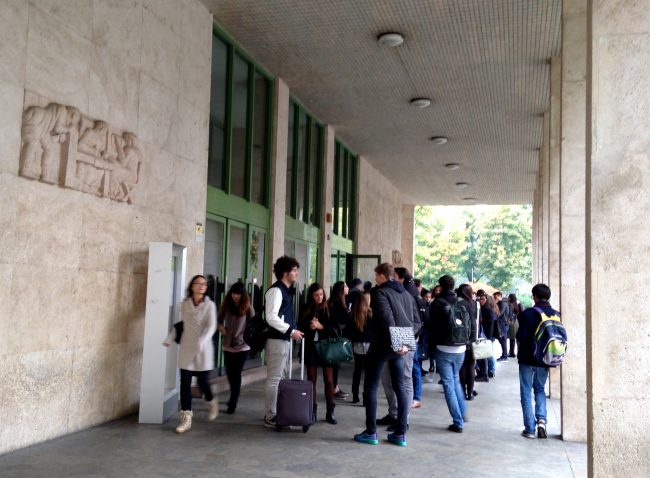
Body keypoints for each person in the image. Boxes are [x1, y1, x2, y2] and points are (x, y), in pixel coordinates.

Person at [354, 263, 418, 447]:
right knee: (400, 386)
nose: (375, 279)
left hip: (383, 345)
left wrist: (398, 343)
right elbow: (415, 322)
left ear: (382, 276)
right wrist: (405, 343)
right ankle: (400, 434)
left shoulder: (379, 292)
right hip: (400, 347)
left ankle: (371, 432)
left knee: (371, 386)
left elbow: (386, 319)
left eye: (376, 276)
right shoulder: (407, 294)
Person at [163, 275, 218, 434]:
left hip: (203, 349)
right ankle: (186, 418)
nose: (201, 286)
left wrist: (203, 339)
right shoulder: (185, 304)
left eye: (204, 284)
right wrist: (170, 338)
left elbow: (212, 326)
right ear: (192, 286)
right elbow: (181, 325)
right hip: (187, 347)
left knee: (202, 382)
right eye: (198, 283)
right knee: (185, 383)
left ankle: (211, 401)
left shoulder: (210, 305)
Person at [263, 256, 304, 428]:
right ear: (285, 272)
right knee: (274, 379)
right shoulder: (276, 291)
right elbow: (270, 317)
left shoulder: (285, 290)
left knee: (279, 379)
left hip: (283, 340)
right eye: (294, 270)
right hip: (277, 341)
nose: (296, 273)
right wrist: (291, 330)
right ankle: (270, 415)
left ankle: (277, 412)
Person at [517, 283, 559, 439]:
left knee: (526, 391)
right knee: (540, 389)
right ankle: (542, 421)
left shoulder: (528, 314)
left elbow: (521, 337)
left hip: (527, 358)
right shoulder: (556, 314)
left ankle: (529, 429)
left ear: (534, 296)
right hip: (545, 359)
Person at [429, 275, 468, 433]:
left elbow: (431, 326)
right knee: (455, 380)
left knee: (448, 385)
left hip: (443, 348)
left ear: (441, 286)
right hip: (461, 348)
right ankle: (462, 412)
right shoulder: (462, 301)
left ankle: (458, 422)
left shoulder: (437, 303)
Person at [298, 283, 339, 424]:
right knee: (312, 381)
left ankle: (330, 411)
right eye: (316, 295)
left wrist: (320, 326)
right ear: (311, 296)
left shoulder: (329, 308)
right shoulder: (305, 308)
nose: (319, 297)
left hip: (326, 348)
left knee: (329, 380)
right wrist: (310, 326)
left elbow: (335, 330)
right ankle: (312, 410)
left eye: (321, 294)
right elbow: (299, 327)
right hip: (310, 347)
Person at [217, 282, 254, 414]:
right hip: (227, 344)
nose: (235, 296)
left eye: (238, 294)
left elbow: (253, 325)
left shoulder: (248, 308)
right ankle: (234, 394)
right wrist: (222, 329)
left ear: (243, 295)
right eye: (233, 293)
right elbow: (218, 320)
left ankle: (233, 402)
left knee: (236, 374)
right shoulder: (226, 305)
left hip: (242, 346)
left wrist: (247, 337)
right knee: (230, 373)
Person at [349, 291, 372, 405]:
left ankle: (355, 396)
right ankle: (366, 398)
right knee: (368, 373)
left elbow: (349, 331)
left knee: (357, 371)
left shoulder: (353, 314)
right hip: (368, 345)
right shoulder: (370, 313)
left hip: (356, 345)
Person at [457, 284, 479, 400]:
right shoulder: (473, 304)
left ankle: (462, 391)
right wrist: (473, 338)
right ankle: (470, 393)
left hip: (460, 338)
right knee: (471, 366)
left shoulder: (457, 303)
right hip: (471, 338)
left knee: (462, 366)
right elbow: (475, 323)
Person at [330, 281, 351, 399]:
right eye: (346, 286)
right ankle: (333, 388)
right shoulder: (338, 302)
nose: (348, 288)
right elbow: (346, 320)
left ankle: (334, 387)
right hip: (335, 337)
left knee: (335, 364)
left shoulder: (336, 301)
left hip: (335, 335)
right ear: (342, 289)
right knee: (335, 364)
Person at [476, 293, 499, 381]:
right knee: (487, 353)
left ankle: (491, 371)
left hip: (488, 335)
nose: (481, 301)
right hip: (486, 335)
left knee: (489, 354)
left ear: (487, 300)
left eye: (483, 299)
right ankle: (490, 371)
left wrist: (488, 338)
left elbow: (490, 325)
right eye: (480, 299)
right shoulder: (485, 309)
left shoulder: (488, 310)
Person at [494, 291, 511, 361]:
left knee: (503, 340)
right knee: (503, 340)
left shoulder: (503, 303)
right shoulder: (503, 303)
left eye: (495, 297)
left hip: (503, 324)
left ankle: (504, 356)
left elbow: (500, 313)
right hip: (503, 323)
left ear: (498, 296)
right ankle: (504, 355)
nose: (494, 298)